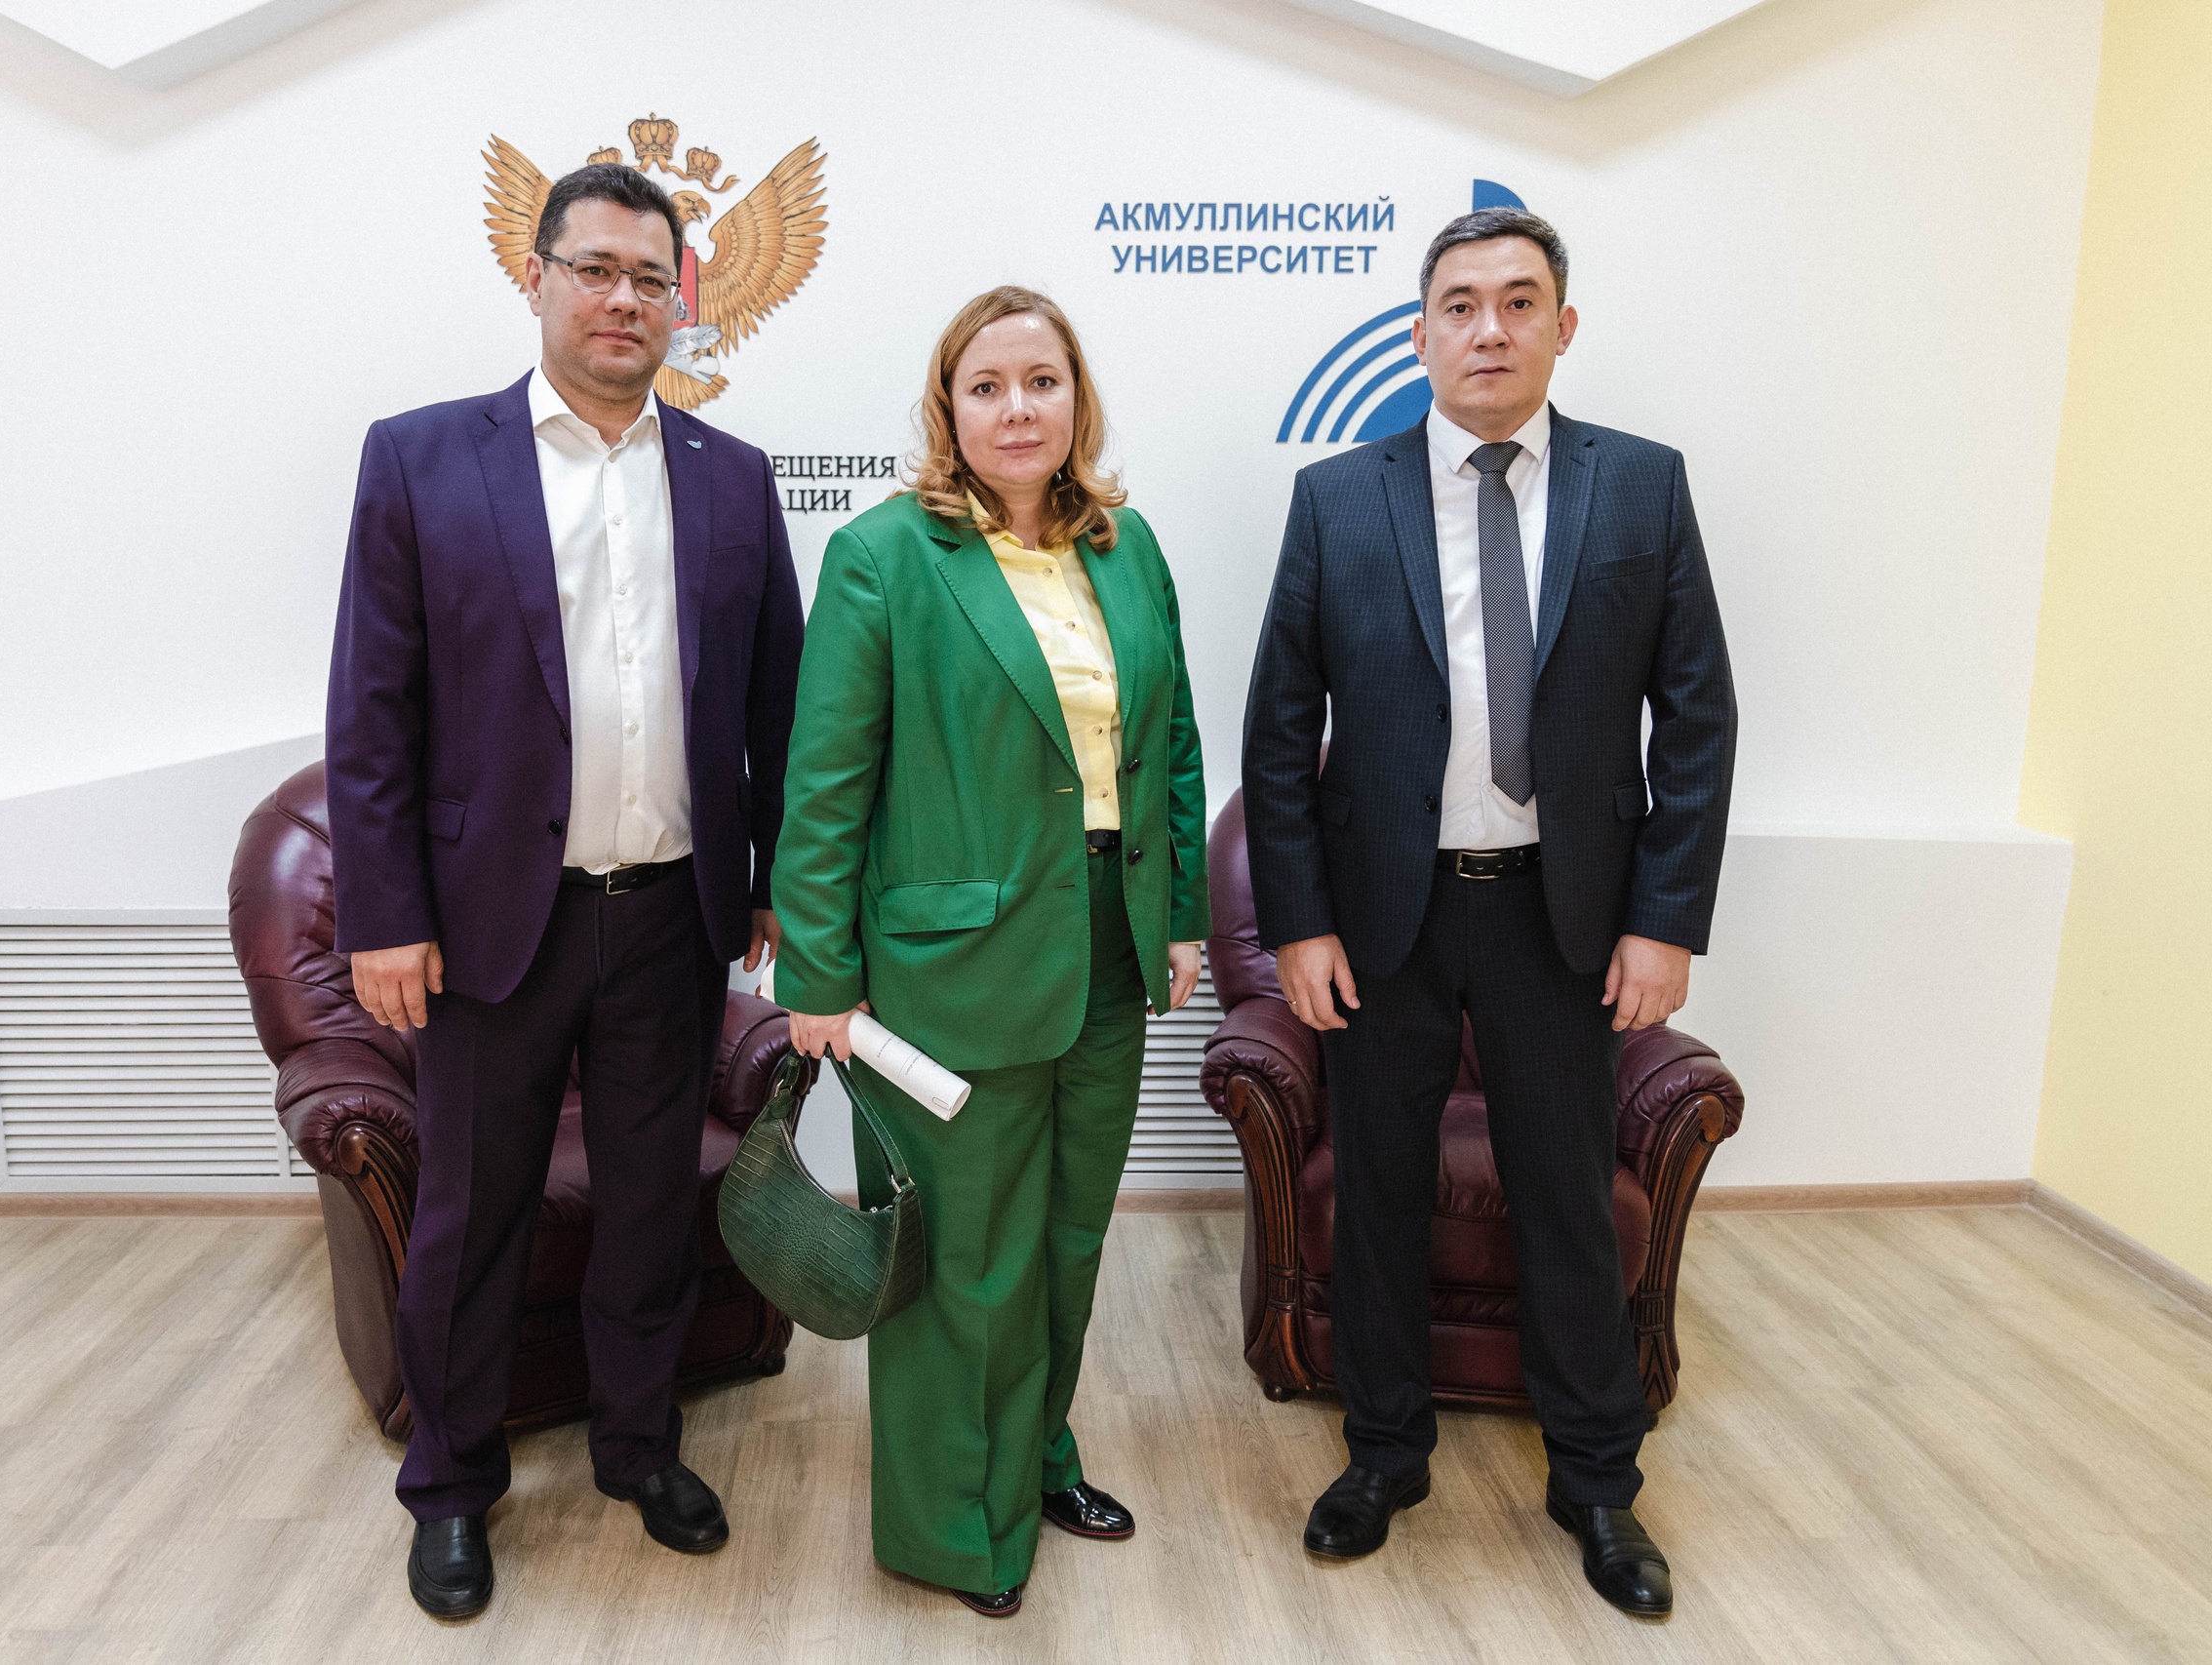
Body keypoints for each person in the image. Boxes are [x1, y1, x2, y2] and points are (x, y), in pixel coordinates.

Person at [1241, 208, 1736, 1618]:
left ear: (1562, 329)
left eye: (1520, 303)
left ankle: (1597, 1481)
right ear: (1420, 335)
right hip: (1382, 922)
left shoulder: (1641, 487)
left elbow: (1697, 718)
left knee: (1568, 1200)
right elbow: (1280, 728)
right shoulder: (1339, 498)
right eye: (1460, 305)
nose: (1490, 330)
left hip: (1559, 919)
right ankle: (1384, 1452)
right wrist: (1299, 924)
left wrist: (1665, 920)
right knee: (1380, 1193)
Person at [325, 161, 803, 1619]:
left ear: (681, 302)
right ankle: (452, 1486)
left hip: (673, 914)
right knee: (474, 1216)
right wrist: (384, 917)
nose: (623, 299)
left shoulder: (732, 476)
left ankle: (638, 1447)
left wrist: (774, 878)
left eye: (651, 278)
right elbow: (372, 715)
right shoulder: (421, 460)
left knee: (652, 1206)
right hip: (487, 926)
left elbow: (778, 702)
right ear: (537, 279)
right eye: (595, 269)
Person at [771, 287, 1208, 1619]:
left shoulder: (1128, 545)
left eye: (1043, 381)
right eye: (988, 386)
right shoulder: (883, 556)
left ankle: (1035, 1460)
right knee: (965, 1264)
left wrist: (1182, 913)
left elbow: (1172, 743)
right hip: (945, 973)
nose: (1019, 408)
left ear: (1078, 400)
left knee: (1068, 1243)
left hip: (1110, 952)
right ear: (947, 409)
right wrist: (816, 976)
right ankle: (956, 1529)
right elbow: (826, 783)